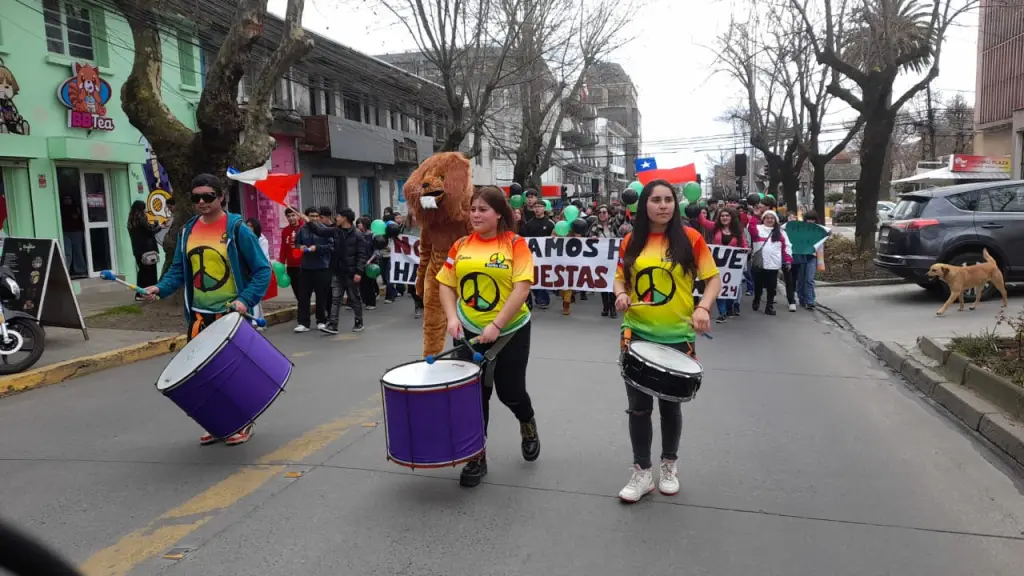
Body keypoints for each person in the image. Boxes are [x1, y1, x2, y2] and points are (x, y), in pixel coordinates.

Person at [612, 179, 721, 503]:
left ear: (675, 204)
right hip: (637, 334)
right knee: (638, 408)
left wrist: (703, 307)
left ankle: (669, 466)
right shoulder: (632, 240)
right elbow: (621, 278)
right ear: (644, 205)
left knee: (670, 407)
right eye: (656, 200)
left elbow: (712, 280)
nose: (663, 205)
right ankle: (642, 472)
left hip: (678, 337)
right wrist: (620, 295)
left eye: (668, 200)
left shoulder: (691, 239)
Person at [142, 173, 271, 446]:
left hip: (232, 315)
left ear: (222, 196)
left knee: (233, 372)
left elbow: (262, 270)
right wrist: (160, 288)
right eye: (196, 197)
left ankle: (243, 421)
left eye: (208, 197)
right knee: (203, 374)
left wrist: (245, 300)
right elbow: (178, 269)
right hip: (199, 315)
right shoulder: (188, 230)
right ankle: (217, 422)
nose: (201, 202)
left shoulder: (237, 229)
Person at [437, 186, 539, 487]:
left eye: (483, 209)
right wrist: (452, 318)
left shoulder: (515, 244)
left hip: (510, 331)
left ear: (498, 213)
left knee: (510, 392)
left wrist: (496, 324)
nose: (476, 214)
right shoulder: (460, 246)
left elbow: (522, 288)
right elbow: (446, 283)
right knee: (472, 395)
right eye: (472, 209)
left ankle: (527, 423)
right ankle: (475, 456)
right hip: (468, 330)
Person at [302, 208, 367, 334]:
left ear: (345, 218)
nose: (336, 218)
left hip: (351, 272)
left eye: (338, 216)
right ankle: (333, 324)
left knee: (354, 298)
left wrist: (359, 272)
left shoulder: (357, 235)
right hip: (337, 271)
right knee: (335, 299)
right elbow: (320, 231)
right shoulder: (335, 231)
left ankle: (359, 322)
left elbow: (362, 255)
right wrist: (308, 222)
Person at [293, 207, 333, 333]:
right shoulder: (302, 230)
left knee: (321, 296)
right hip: (305, 267)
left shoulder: (325, 230)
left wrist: (318, 248)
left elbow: (332, 246)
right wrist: (301, 247)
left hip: (322, 267)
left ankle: (321, 320)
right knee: (303, 296)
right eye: (311, 216)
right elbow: (296, 244)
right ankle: (303, 322)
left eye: (316, 216)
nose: (314, 218)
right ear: (306, 216)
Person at [750, 210, 792, 316]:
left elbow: (787, 247)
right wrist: (755, 215)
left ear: (775, 220)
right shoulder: (758, 229)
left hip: (773, 264)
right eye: (767, 218)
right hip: (760, 263)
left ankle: (769, 306)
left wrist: (788, 260)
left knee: (771, 287)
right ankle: (757, 299)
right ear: (763, 219)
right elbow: (751, 228)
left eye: (772, 218)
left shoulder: (781, 232)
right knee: (758, 285)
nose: (769, 220)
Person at [519, 200, 554, 309]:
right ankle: (538, 297)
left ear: (544, 208)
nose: (537, 209)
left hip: (546, 256)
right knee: (534, 277)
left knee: (543, 276)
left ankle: (543, 299)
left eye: (539, 206)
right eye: (535, 207)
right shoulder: (529, 224)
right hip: (532, 255)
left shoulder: (550, 223)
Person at [590, 204, 620, 318]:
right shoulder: (595, 226)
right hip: (601, 259)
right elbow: (588, 238)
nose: (602, 214)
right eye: (600, 212)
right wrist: (592, 238)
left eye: (604, 212)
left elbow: (621, 216)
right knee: (603, 283)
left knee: (612, 284)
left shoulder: (614, 224)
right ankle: (605, 307)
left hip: (614, 259)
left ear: (608, 214)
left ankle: (613, 308)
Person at [127, 200, 160, 300]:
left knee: (142, 272)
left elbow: (145, 230)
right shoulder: (141, 218)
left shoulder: (131, 220)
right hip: (147, 250)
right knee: (151, 274)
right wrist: (158, 226)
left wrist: (153, 225)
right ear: (141, 208)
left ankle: (141, 293)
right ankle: (148, 294)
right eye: (144, 207)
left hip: (138, 251)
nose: (145, 210)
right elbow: (150, 231)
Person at [246, 218, 274, 328]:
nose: (248, 228)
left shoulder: (262, 240)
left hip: (257, 271)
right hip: (247, 271)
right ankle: (260, 321)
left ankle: (254, 323)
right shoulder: (245, 238)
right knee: (255, 298)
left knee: (254, 296)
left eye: (251, 226)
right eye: (247, 225)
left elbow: (263, 257)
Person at [278, 208, 303, 300]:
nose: (291, 218)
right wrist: (281, 263)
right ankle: (303, 312)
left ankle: (304, 312)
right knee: (297, 292)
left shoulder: (304, 228)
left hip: (303, 266)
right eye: (289, 216)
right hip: (291, 266)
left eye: (293, 215)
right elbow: (283, 248)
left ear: (298, 215)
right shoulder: (285, 231)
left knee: (304, 292)